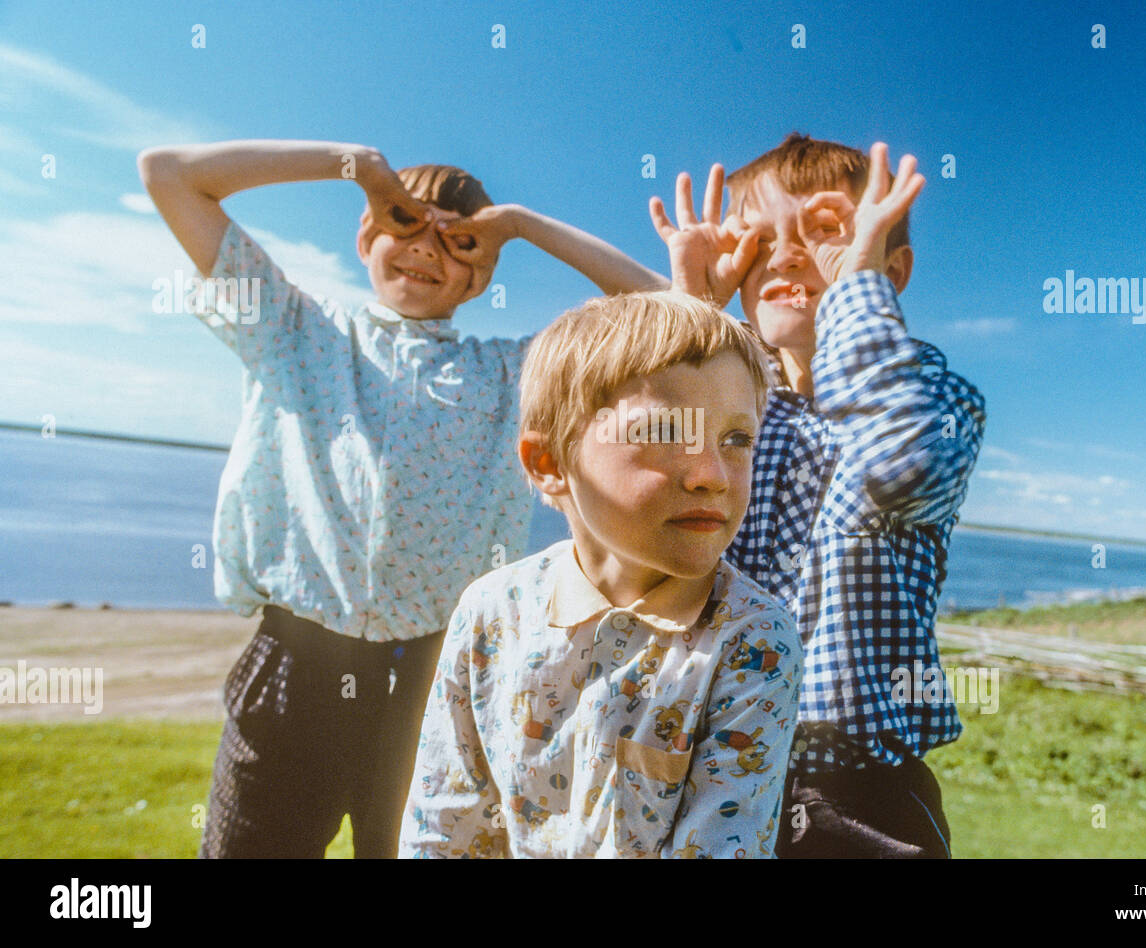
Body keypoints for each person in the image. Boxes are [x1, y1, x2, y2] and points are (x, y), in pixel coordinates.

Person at [137, 138, 668, 858]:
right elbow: (171, 175)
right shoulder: (293, 331)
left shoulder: (514, 375)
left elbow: (667, 313)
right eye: (404, 223)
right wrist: (355, 166)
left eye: (458, 243)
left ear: (482, 276)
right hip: (298, 662)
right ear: (365, 234)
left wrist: (520, 225)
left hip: (443, 679)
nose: (426, 248)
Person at [650, 133, 986, 857]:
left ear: (890, 269)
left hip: (854, 798)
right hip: (695, 765)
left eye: (826, 232)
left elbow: (905, 464)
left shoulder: (930, 398)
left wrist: (855, 282)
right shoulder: (730, 408)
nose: (789, 253)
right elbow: (641, 506)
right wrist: (694, 316)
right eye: (760, 238)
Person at [399, 291, 803, 858]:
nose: (713, 473)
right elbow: (443, 826)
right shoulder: (492, 611)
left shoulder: (752, 639)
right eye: (666, 432)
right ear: (549, 464)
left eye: (737, 439)